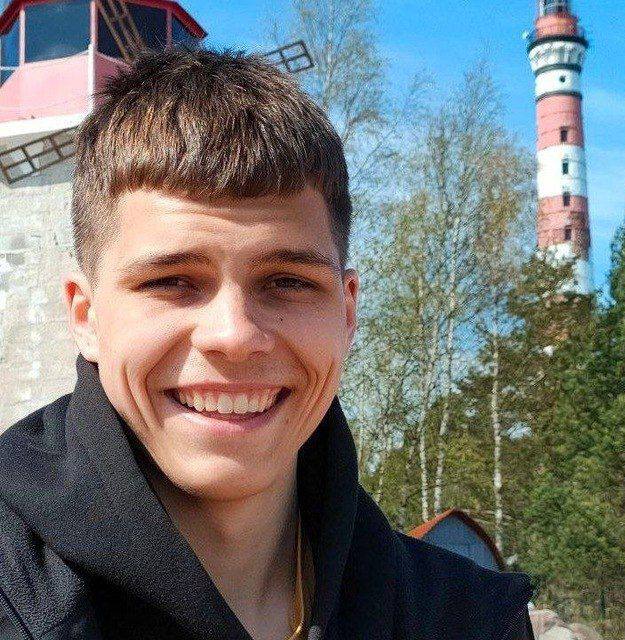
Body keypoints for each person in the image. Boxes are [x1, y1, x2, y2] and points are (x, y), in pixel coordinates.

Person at [0, 48, 534, 640]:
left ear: (347, 313)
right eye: (172, 282)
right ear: (85, 315)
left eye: (288, 282)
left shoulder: (470, 619)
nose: (234, 336)